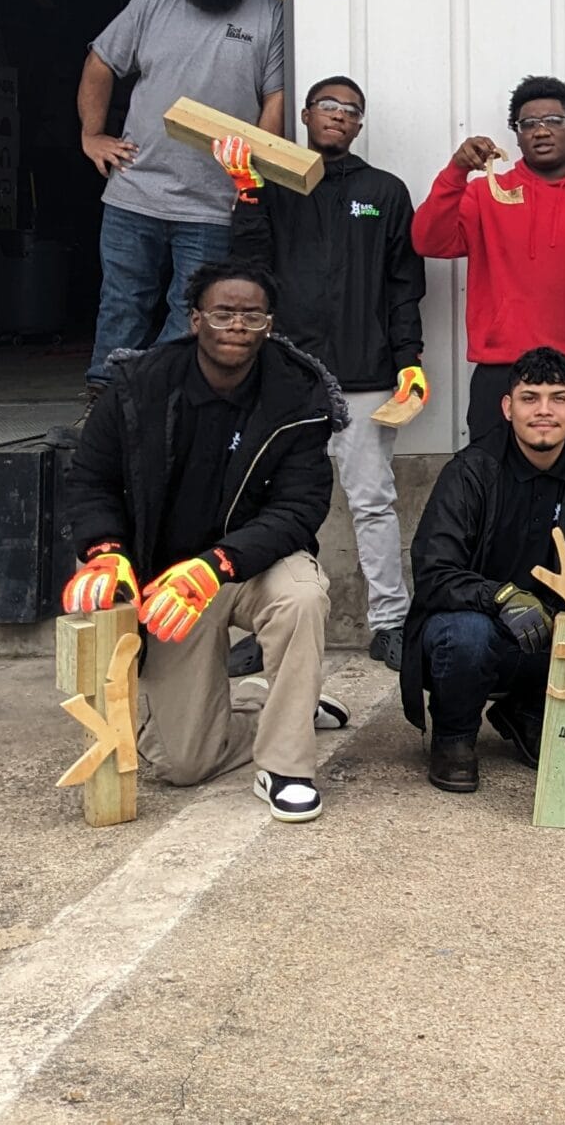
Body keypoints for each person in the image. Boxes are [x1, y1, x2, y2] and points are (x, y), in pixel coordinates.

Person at [60, 260, 349, 824]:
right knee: (181, 762)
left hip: (247, 567)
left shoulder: (299, 394)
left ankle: (287, 765)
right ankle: (281, 705)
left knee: (303, 594)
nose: (237, 324)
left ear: (269, 324)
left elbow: (299, 509)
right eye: (223, 312)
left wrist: (217, 563)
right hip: (168, 582)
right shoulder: (137, 385)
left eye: (252, 314)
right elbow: (90, 478)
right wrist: (105, 549)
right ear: (195, 320)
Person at [217, 74, 426, 669]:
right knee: (275, 504)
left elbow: (403, 288)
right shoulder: (276, 186)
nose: (339, 115)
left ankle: (390, 624)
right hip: (288, 376)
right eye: (328, 106)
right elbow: (248, 270)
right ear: (306, 115)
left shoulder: (384, 191)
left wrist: (409, 363)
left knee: (373, 501)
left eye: (351, 110)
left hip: (366, 377)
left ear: (360, 124)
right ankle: (269, 624)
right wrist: (247, 193)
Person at [397, 347, 565, 794]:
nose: (544, 411)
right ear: (508, 407)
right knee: (464, 635)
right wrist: (501, 598)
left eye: (559, 398)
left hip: (555, 636)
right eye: (530, 398)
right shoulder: (470, 472)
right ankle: (454, 735)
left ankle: (527, 709)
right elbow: (434, 571)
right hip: (481, 631)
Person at [78, 0, 287, 397]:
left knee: (190, 308)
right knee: (123, 302)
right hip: (135, 188)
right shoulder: (151, 6)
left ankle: (158, 396)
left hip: (214, 199)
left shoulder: (271, 13)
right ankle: (106, 399)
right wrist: (92, 135)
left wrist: (250, 176)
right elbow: (100, 63)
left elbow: (274, 98)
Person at [411, 74, 565, 452]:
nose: (541, 131)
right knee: (489, 482)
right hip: (505, 367)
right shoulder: (486, 192)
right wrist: (456, 172)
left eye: (554, 121)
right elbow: (428, 240)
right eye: (528, 124)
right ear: (516, 134)